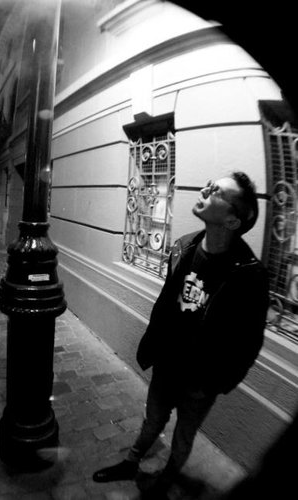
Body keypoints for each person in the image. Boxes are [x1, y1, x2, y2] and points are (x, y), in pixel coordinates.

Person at [93, 171, 269, 499]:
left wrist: (217, 383)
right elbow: (167, 305)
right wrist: (154, 345)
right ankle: (130, 463)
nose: (205, 189)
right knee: (152, 421)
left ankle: (165, 482)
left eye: (216, 191)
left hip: (201, 380)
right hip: (168, 365)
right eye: (210, 184)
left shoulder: (249, 274)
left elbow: (249, 343)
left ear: (232, 220)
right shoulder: (184, 246)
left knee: (184, 437)